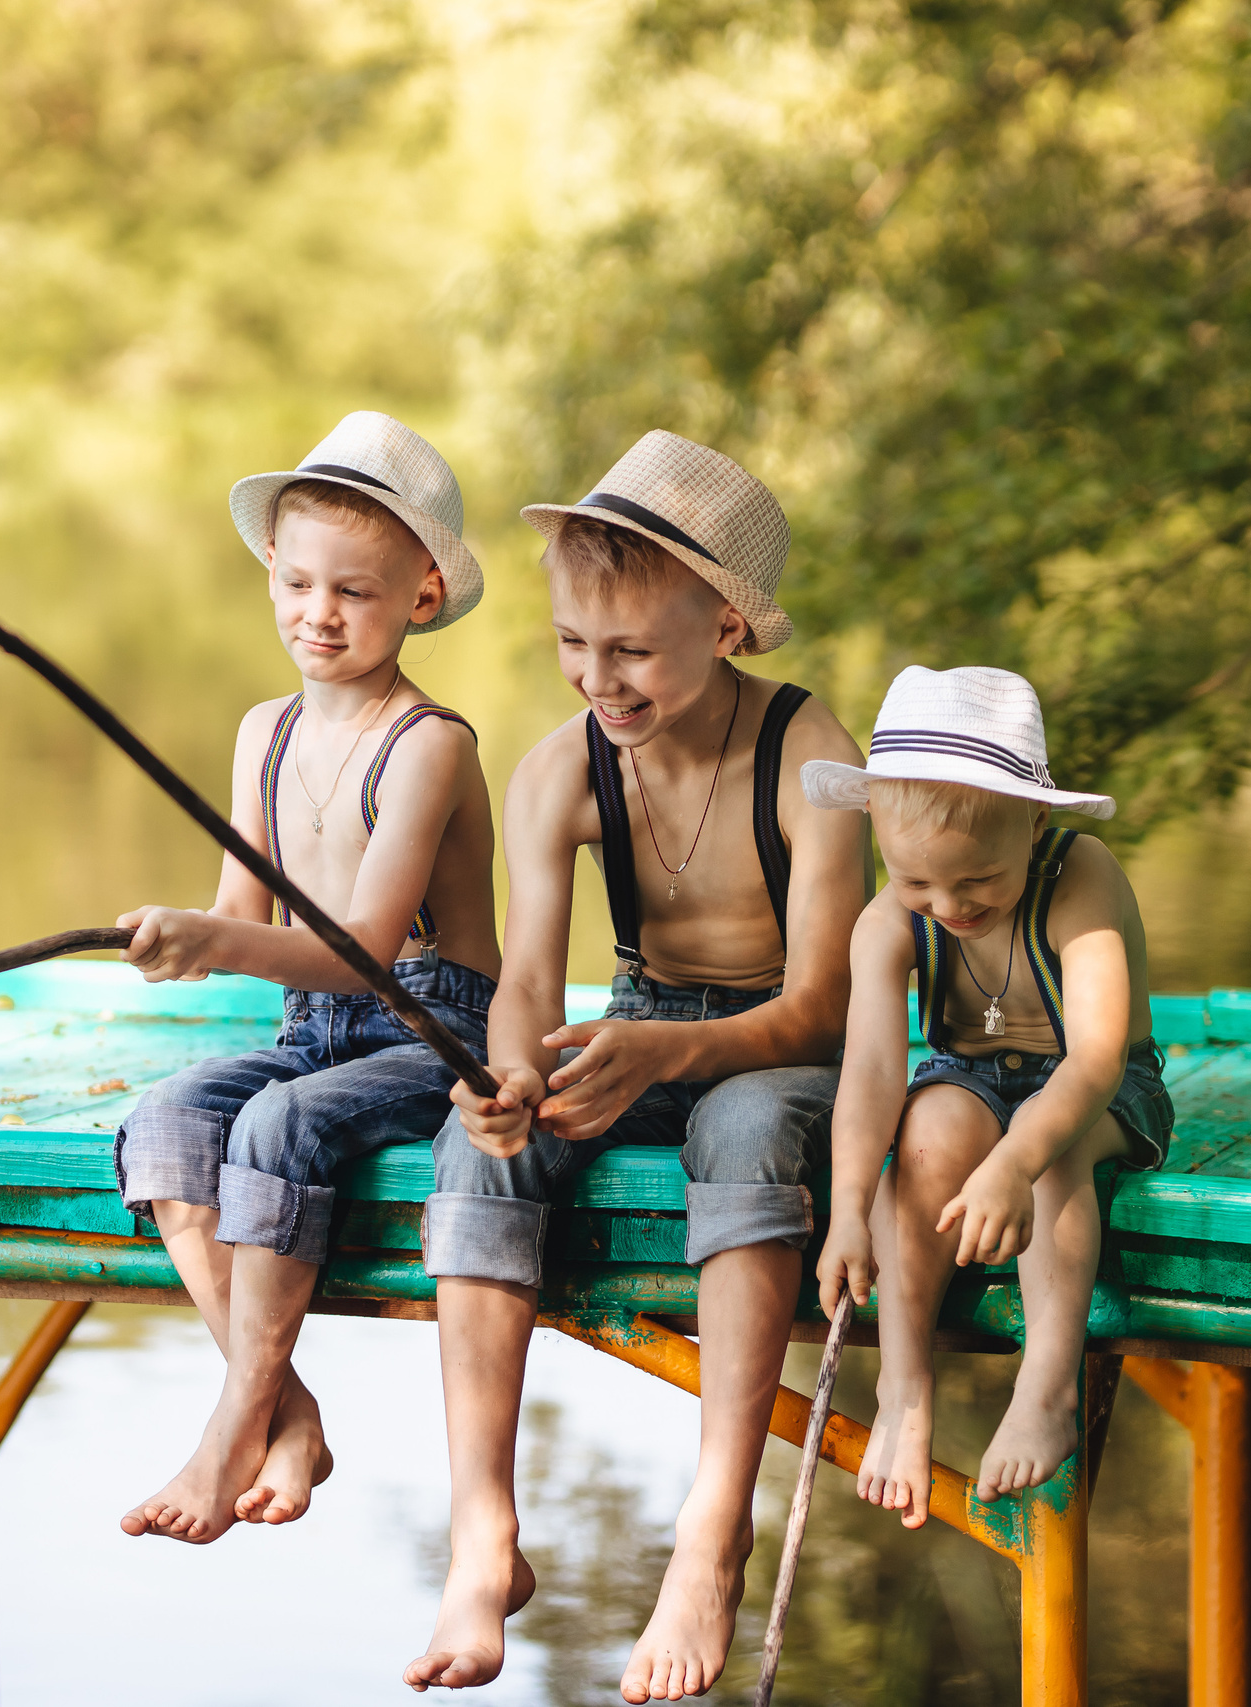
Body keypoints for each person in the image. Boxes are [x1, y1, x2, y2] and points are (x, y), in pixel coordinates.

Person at [404, 432, 867, 1702]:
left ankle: (712, 1530)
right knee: (478, 1147)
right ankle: (483, 1530)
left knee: (749, 1129)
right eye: (571, 646)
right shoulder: (562, 768)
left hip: (784, 1038)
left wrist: (665, 1049)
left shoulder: (810, 755)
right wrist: (508, 1081)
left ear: (723, 628)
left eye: (631, 652)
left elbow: (828, 1011)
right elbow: (532, 996)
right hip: (644, 1017)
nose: (596, 680)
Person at [110, 413, 500, 1544]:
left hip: (428, 1034)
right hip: (308, 1031)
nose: (316, 614)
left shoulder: (430, 744)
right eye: (294, 583)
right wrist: (176, 938)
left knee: (276, 1127)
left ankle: (231, 1426)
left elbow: (368, 948)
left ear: (419, 597)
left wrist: (216, 940)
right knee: (170, 1121)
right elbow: (243, 919)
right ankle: (287, 1408)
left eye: (353, 592)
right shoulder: (263, 732)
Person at [807, 666, 1174, 1524]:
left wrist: (1013, 1158)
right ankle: (904, 1385)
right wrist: (849, 1208)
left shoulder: (1081, 879)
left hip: (1100, 1085)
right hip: (967, 1077)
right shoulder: (887, 920)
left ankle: (1046, 1385)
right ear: (877, 832)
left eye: (977, 882)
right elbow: (869, 1072)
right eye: (918, 883)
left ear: (1035, 822)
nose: (948, 905)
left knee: (1059, 1154)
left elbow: (1096, 1057)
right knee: (927, 1133)